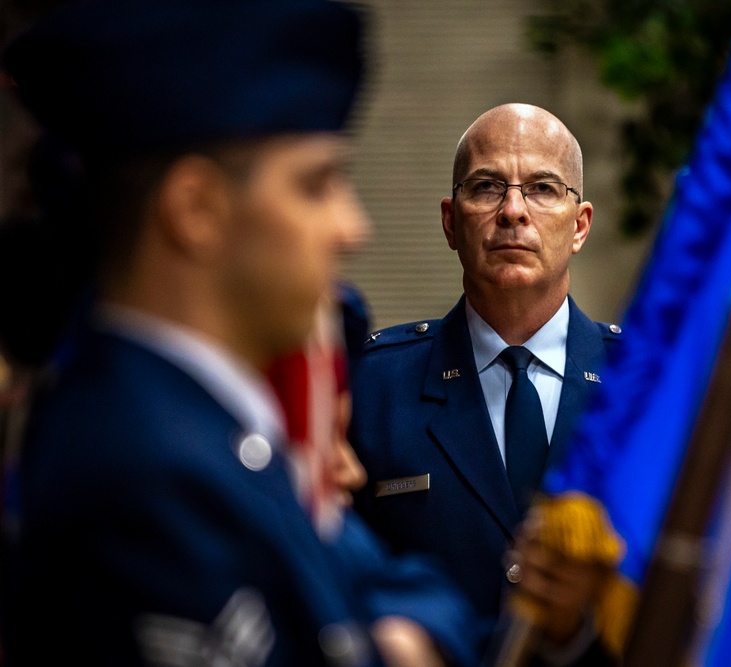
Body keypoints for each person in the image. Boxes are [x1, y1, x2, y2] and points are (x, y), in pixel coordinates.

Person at [0, 1, 477, 665]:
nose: (352, 227)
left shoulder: (206, 428)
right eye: (316, 186)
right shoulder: (142, 471)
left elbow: (397, 594)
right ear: (196, 209)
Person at [350, 103, 622, 659]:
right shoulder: (370, 386)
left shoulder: (640, 390)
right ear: (451, 221)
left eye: (543, 188)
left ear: (581, 225)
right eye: (488, 187)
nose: (514, 211)